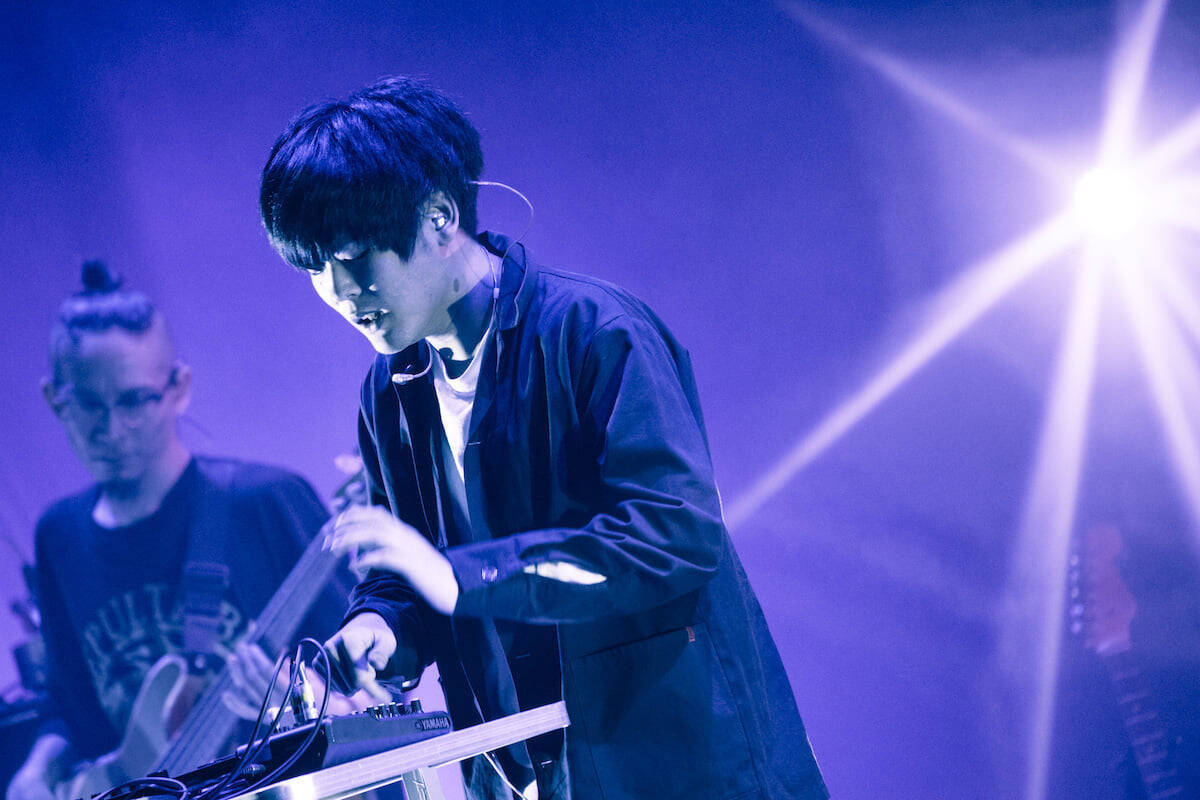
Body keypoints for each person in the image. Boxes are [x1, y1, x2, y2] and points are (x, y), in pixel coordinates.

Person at [259, 76, 829, 800]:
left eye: (353, 256)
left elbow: (673, 535)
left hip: (675, 771)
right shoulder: (389, 390)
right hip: (522, 776)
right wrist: (382, 625)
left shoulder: (595, 332)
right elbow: (413, 574)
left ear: (439, 217)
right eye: (314, 268)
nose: (340, 292)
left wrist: (464, 577)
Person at [6, 262, 355, 800]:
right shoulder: (60, 537)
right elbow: (68, 705)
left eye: (133, 400)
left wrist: (302, 697)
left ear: (179, 388)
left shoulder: (264, 502)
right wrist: (36, 770)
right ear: (55, 401)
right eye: (88, 405)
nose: (111, 429)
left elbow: (362, 678)